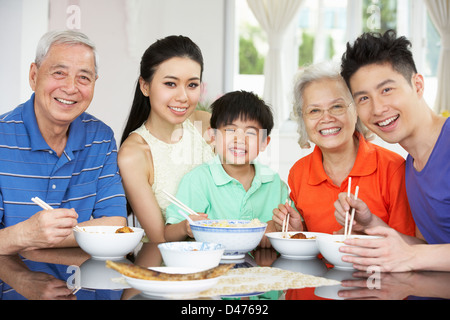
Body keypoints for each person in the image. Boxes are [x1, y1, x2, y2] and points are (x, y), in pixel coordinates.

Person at [0, 30, 127, 255]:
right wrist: (24, 233)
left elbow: (116, 225)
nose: (71, 87)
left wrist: (36, 239)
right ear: (34, 76)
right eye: (59, 72)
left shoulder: (100, 137)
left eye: (84, 78)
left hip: (79, 283)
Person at [337, 30, 450, 272]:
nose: (378, 109)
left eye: (387, 89)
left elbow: (416, 255)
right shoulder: (410, 164)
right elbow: (428, 248)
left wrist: (411, 257)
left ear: (417, 85)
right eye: (364, 98)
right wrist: (372, 225)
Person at [272, 61, 415, 237]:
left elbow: (408, 246)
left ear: (356, 110)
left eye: (337, 106)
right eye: (314, 111)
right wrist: (297, 233)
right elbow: (309, 243)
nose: (327, 118)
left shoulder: (393, 168)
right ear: (303, 121)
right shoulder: (298, 173)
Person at [118, 35, 214, 243]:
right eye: (170, 84)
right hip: (167, 265)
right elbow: (158, 239)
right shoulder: (133, 154)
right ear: (145, 86)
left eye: (192, 85)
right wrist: (187, 227)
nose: (183, 97)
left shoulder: (205, 124)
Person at [164, 90, 290, 248]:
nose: (240, 139)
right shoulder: (198, 180)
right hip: (213, 265)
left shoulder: (274, 183)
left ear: (264, 142)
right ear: (213, 135)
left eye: (250, 132)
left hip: (263, 267)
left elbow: (289, 230)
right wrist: (185, 227)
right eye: (230, 130)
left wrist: (282, 227)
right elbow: (168, 234)